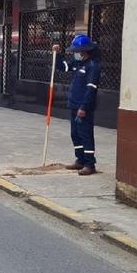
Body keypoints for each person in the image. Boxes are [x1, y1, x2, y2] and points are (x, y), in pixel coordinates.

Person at [53, 34, 101, 176]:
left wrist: (84, 107)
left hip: (83, 107)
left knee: (85, 135)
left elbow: (91, 89)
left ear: (85, 50)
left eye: (78, 51)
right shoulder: (78, 63)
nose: (76, 54)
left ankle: (89, 164)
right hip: (73, 105)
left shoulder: (93, 66)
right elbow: (63, 67)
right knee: (75, 134)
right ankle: (80, 159)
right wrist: (57, 54)